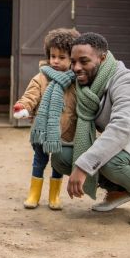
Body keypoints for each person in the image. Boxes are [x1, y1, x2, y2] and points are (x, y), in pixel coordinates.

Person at [51, 32, 130, 226]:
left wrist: (83, 166)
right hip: (123, 148)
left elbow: (121, 130)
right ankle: (119, 190)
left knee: (106, 161)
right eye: (73, 61)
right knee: (61, 155)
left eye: (84, 61)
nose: (76, 68)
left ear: (102, 57)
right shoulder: (86, 86)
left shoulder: (126, 82)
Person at [12, 28, 80, 210]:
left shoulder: (76, 82)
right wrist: (23, 107)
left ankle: (54, 196)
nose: (55, 61)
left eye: (62, 57)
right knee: (39, 161)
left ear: (72, 59)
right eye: (53, 56)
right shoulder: (41, 78)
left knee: (58, 164)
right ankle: (34, 194)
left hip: (65, 133)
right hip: (42, 133)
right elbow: (30, 96)